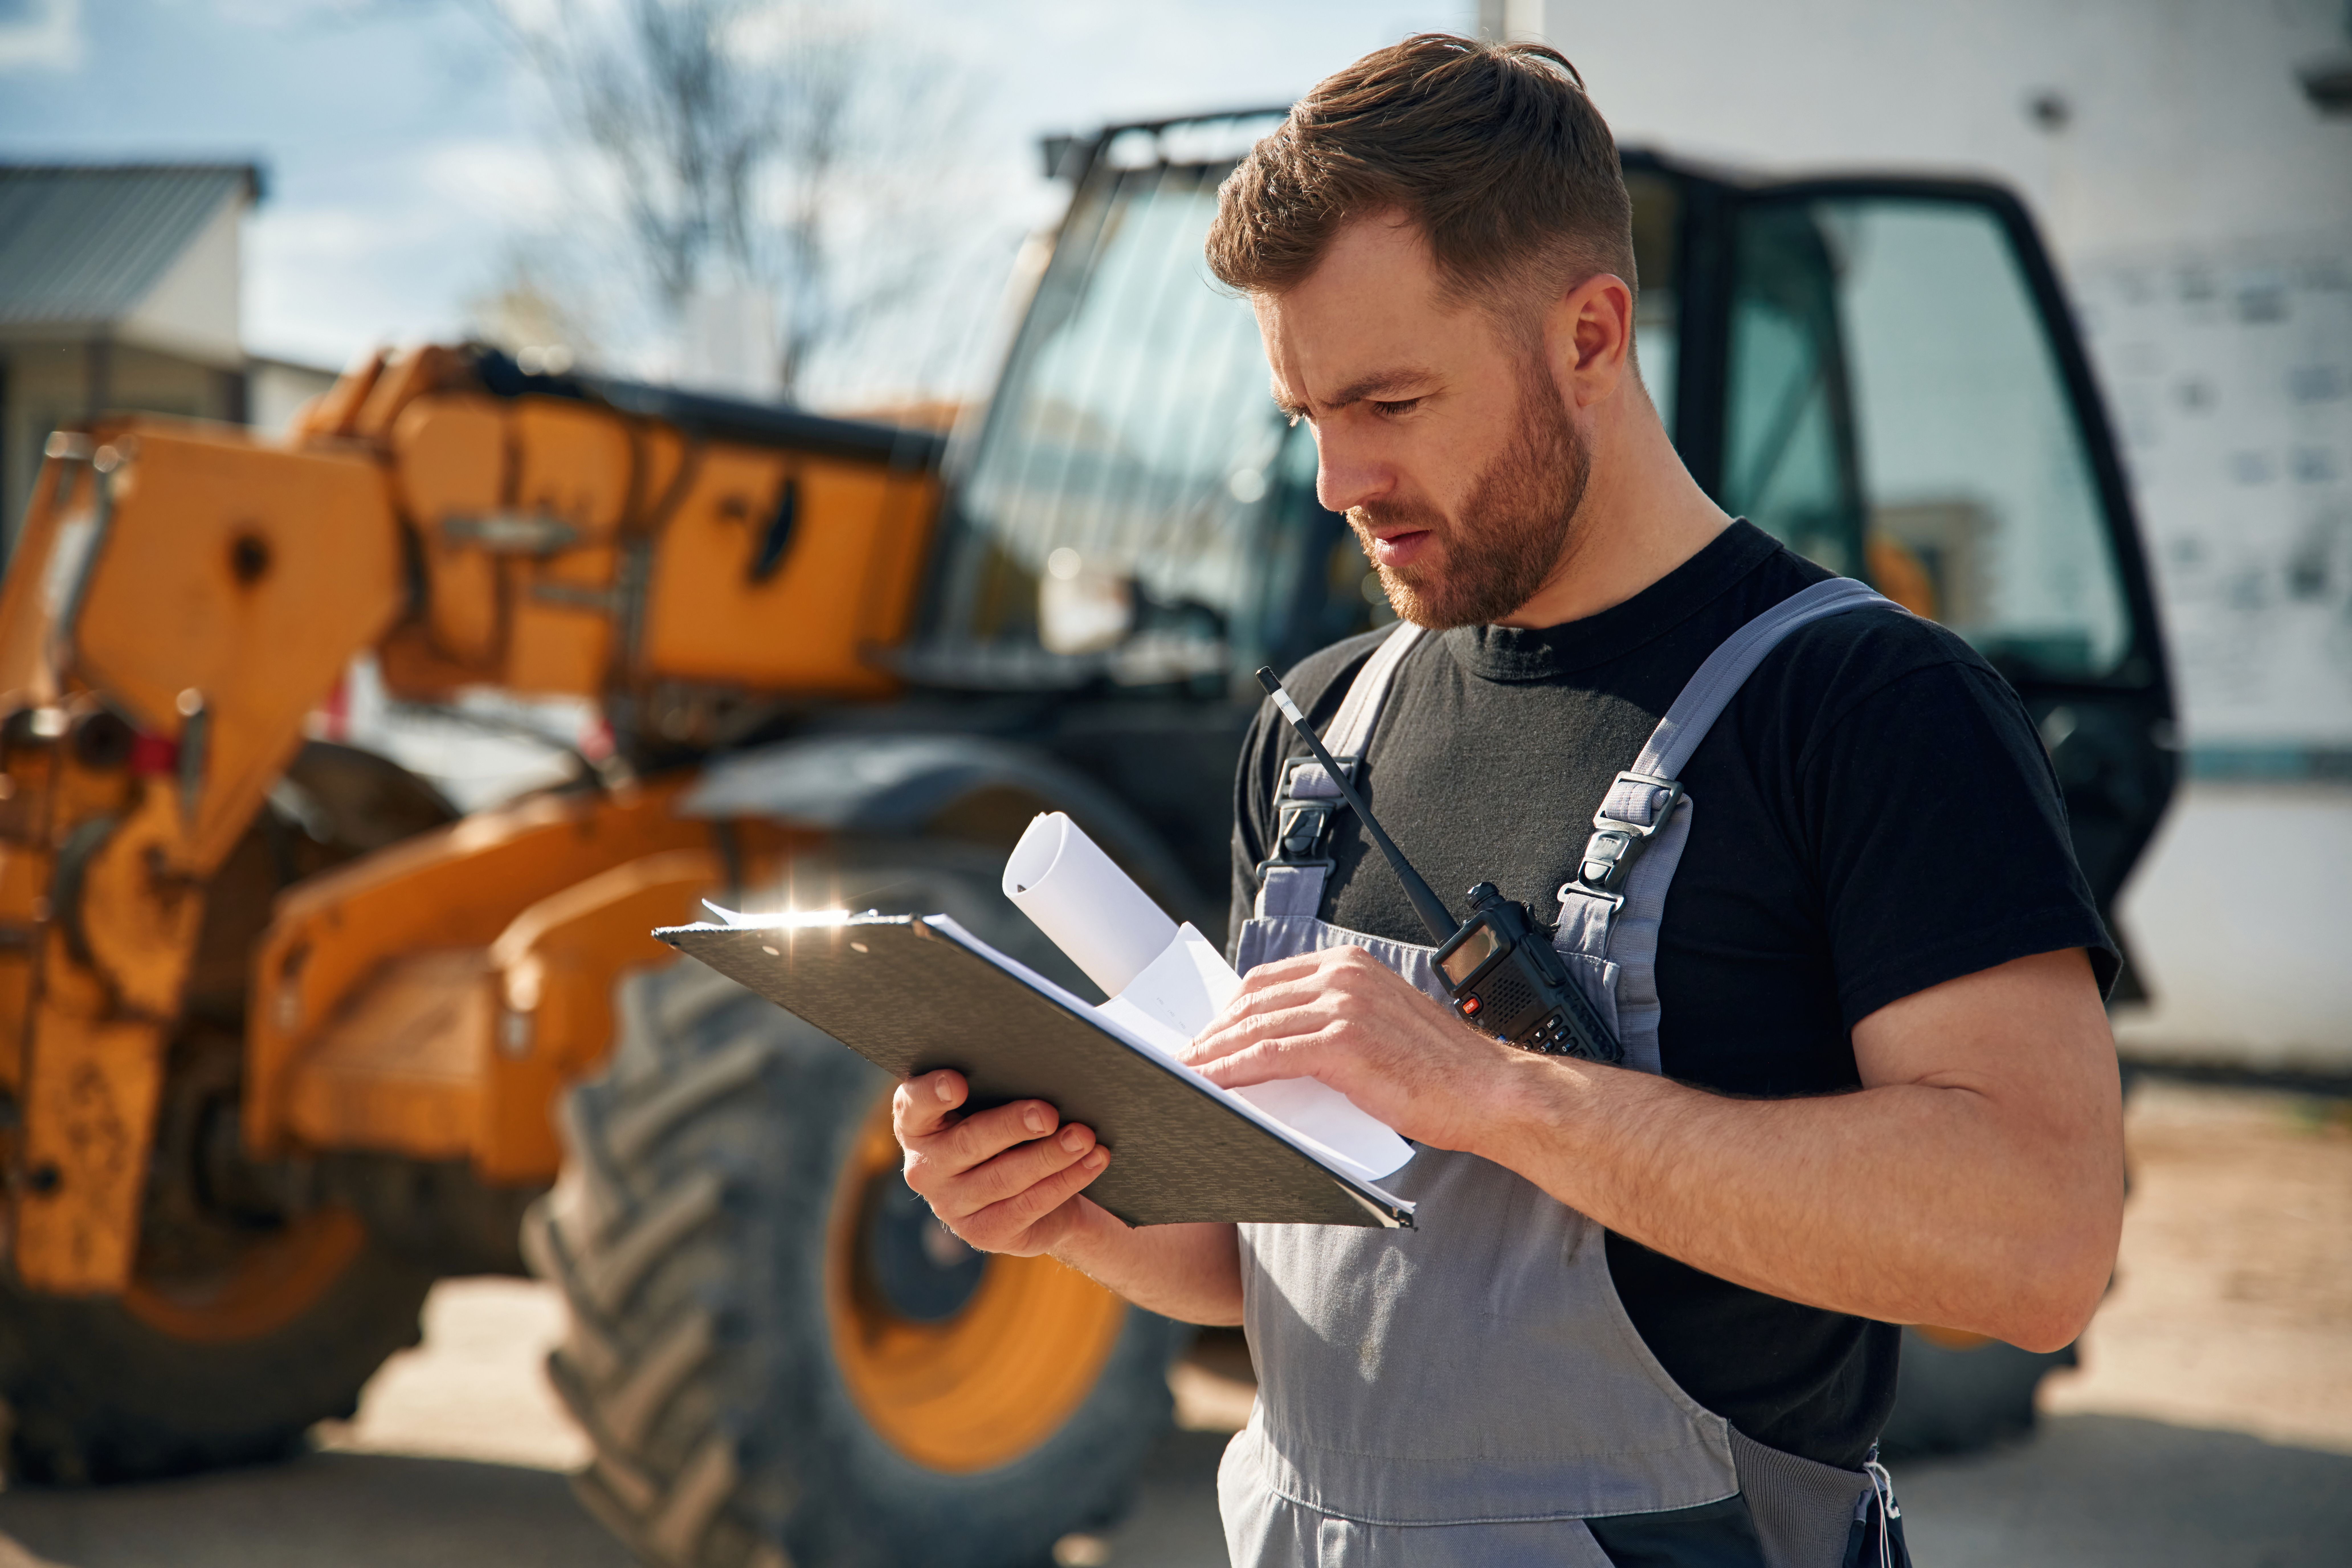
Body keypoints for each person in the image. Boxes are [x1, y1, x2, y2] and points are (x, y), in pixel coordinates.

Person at [892, 32, 2124, 1567]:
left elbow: (2039, 1247)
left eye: (1392, 401)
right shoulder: (1315, 732)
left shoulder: (1871, 713)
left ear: (1592, 335)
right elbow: (1293, 1260)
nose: (1339, 477)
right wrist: (1076, 1214)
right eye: (1304, 416)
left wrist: (1499, 1097)